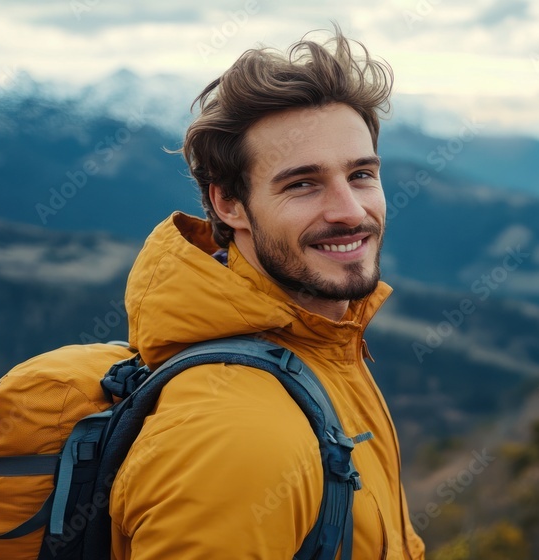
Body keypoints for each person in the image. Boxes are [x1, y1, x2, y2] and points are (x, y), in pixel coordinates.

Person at [108, 24, 427, 558]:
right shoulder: (233, 437)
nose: (350, 211)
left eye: (361, 175)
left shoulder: (325, 347)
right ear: (229, 204)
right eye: (302, 184)